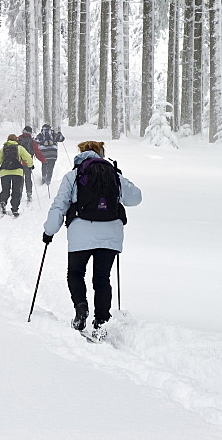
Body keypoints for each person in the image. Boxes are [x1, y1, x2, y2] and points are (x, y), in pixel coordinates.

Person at [42, 141, 142, 338]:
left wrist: (49, 231)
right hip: (111, 235)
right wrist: (119, 177)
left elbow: (59, 206)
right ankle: (102, 322)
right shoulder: (113, 174)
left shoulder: (73, 176)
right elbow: (136, 198)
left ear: (80, 153)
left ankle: (81, 307)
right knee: (102, 279)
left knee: (76, 273)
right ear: (101, 153)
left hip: (81, 234)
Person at [0, 135, 34, 217]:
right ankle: (15, 208)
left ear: (8, 140)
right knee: (16, 191)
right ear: (16, 140)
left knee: (5, 189)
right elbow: (28, 157)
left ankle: (3, 202)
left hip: (5, 172)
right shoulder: (19, 148)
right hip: (17, 173)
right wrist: (30, 165)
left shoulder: (4, 149)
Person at [16, 126, 46, 202]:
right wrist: (43, 160)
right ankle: (29, 193)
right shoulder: (33, 142)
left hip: (18, 162)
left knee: (20, 178)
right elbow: (37, 152)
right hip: (28, 163)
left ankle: (19, 193)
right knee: (28, 178)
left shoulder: (18, 139)